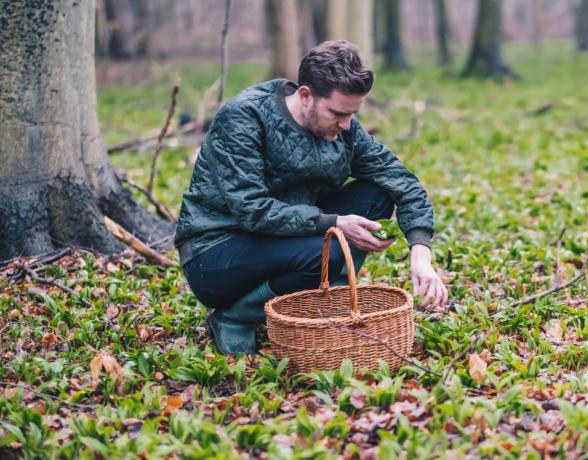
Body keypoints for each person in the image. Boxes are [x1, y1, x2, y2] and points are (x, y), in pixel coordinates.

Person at [174, 40, 448, 355]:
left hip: (289, 236)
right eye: (337, 113)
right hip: (217, 253)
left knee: (377, 195)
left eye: (352, 114)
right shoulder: (244, 117)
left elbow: (402, 181)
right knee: (326, 251)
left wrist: (420, 252)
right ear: (305, 95)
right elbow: (252, 210)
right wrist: (333, 223)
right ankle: (235, 318)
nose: (346, 125)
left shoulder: (345, 129)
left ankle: (327, 298)